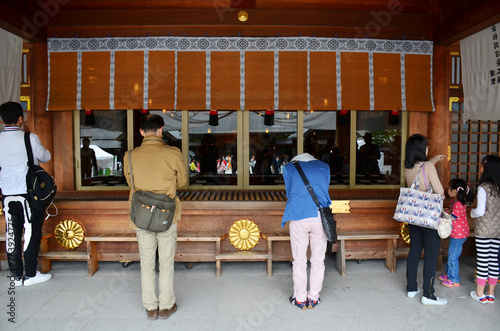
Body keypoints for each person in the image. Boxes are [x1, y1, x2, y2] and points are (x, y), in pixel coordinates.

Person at [123, 114, 187, 320]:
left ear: (141, 132)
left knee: (147, 263)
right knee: (166, 262)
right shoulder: (172, 153)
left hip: (141, 215)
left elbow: (129, 182)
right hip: (166, 214)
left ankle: (151, 307)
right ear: (161, 130)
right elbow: (183, 182)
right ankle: (166, 306)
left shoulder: (130, 155)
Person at [0, 101, 52, 286]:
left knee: (12, 233)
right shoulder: (29, 138)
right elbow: (46, 156)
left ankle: (15, 274)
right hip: (29, 194)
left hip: (7, 193)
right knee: (31, 233)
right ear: (21, 118)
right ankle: (30, 274)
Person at [281, 153, 330, 310]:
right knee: (318, 260)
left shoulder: (289, 167)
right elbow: (324, 189)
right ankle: (313, 298)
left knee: (299, 260)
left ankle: (300, 299)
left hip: (299, 215)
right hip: (320, 217)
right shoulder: (325, 167)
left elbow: (289, 193)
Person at [404, 134, 448, 305]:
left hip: (414, 216)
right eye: (426, 146)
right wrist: (433, 162)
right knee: (431, 256)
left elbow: (421, 172)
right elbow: (440, 192)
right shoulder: (428, 167)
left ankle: (411, 288)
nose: (428, 149)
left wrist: (435, 159)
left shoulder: (408, 167)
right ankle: (428, 295)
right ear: (422, 149)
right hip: (429, 217)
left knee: (414, 251)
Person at [470, 155, 500, 304]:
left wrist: (472, 213)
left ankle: (479, 293)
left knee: (482, 261)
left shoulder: (483, 188)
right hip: (498, 231)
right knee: (493, 260)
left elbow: (480, 211)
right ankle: (491, 294)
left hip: (484, 231)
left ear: (486, 168)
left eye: (482, 166)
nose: (480, 168)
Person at [438, 178, 472, 287]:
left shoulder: (458, 204)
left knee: (453, 257)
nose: (448, 190)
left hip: (459, 235)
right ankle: (449, 274)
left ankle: (454, 279)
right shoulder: (455, 202)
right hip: (457, 234)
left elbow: (452, 217)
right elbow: (452, 212)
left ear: (455, 191)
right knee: (451, 254)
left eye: (449, 189)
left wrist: (442, 216)